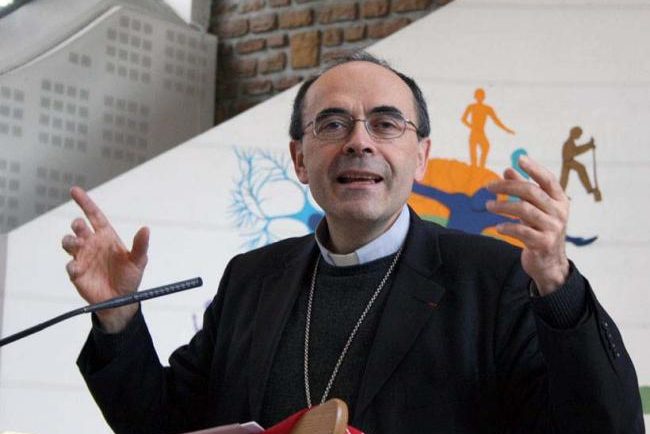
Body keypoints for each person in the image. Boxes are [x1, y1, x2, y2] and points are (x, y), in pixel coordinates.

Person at [63, 52, 644, 434]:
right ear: (299, 158)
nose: (359, 142)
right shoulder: (251, 280)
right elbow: (161, 423)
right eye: (333, 124)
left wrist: (558, 287)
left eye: (386, 124)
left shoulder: (495, 279)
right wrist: (117, 314)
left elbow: (604, 426)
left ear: (421, 157)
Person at [461, 88, 515, 168]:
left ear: (483, 97)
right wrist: (471, 126)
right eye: (478, 96)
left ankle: (481, 166)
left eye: (481, 96)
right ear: (475, 97)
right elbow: (463, 119)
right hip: (474, 132)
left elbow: (496, 120)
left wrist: (506, 129)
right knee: (474, 150)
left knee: (486, 147)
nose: (479, 98)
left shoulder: (487, 108)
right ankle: (475, 167)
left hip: (481, 132)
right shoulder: (471, 107)